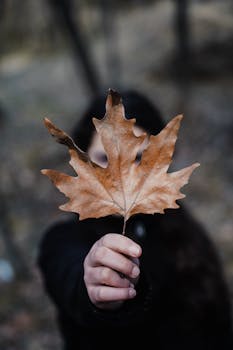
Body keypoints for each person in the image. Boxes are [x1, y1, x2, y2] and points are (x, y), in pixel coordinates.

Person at [37, 89, 233, 350]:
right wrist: (98, 286)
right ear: (82, 162)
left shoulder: (180, 225)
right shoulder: (63, 241)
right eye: (104, 159)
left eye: (139, 159)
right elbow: (71, 279)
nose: (122, 180)